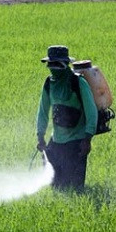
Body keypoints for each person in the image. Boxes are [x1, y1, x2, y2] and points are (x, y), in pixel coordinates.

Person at [36, 45, 98, 192]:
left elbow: (92, 112)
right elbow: (43, 111)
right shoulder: (49, 84)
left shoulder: (78, 83)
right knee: (56, 186)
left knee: (74, 188)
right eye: (51, 65)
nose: (53, 68)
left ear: (64, 65)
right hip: (56, 141)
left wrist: (87, 139)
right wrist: (40, 136)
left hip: (77, 141)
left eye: (56, 65)